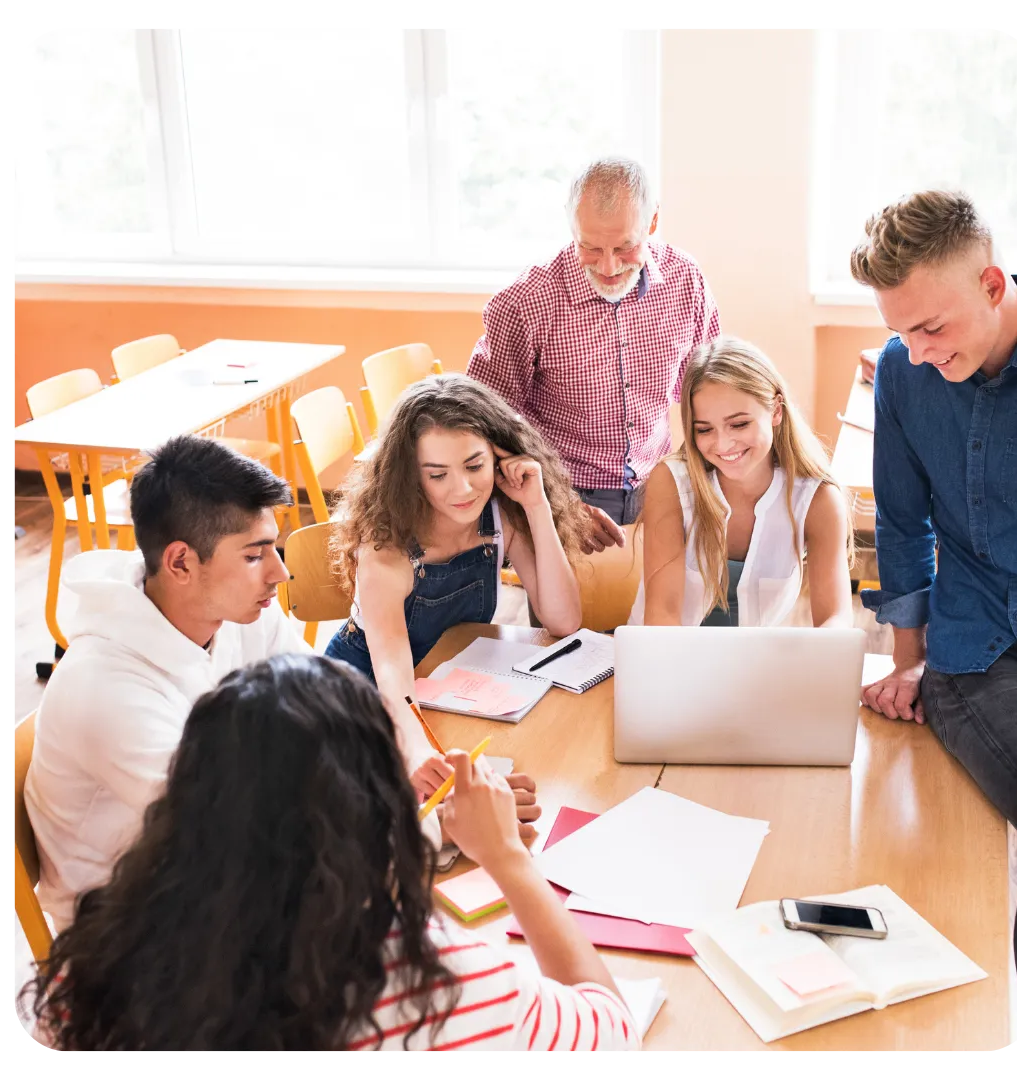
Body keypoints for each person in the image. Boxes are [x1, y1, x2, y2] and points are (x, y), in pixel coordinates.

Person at [26, 654, 641, 1055]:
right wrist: (508, 859)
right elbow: (613, 1030)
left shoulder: (91, 973)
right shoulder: (450, 985)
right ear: (374, 804)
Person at [850, 190, 1017, 1031]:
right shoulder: (902, 372)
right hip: (979, 653)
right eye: (902, 332)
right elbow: (901, 520)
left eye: (932, 329)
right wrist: (907, 662)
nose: (919, 354)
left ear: (993, 284)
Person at [23, 435, 312, 933]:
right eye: (253, 555)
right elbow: (225, 825)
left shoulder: (238, 610)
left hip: (210, 867)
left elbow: (322, 700)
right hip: (126, 924)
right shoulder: (107, 687)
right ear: (180, 562)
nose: (279, 573)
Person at [324, 372, 592, 807]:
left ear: (499, 455)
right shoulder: (385, 547)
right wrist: (415, 747)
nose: (463, 489)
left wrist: (536, 504)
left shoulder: (502, 513)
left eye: (474, 465)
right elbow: (392, 671)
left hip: (443, 680)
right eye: (437, 475)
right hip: (370, 688)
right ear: (410, 476)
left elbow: (563, 620)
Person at [468, 157, 722, 552]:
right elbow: (481, 424)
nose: (608, 266)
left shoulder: (686, 281)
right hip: (563, 493)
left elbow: (709, 389)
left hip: (661, 485)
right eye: (590, 246)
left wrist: (703, 478)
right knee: (568, 616)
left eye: (625, 246)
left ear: (652, 222)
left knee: (657, 614)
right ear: (572, 227)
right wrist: (558, 505)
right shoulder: (525, 301)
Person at [630, 335, 854, 628]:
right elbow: (663, 615)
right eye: (705, 429)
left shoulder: (818, 499)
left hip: (757, 667)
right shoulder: (671, 482)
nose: (723, 445)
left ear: (776, 410)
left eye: (739, 424)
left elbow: (836, 618)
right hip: (668, 660)